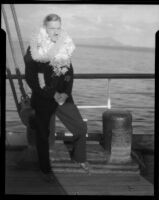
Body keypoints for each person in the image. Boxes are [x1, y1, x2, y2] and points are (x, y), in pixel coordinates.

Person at [24, 14, 90, 182]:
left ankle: (79, 158)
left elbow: (69, 73)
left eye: (58, 27)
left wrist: (66, 93)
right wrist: (52, 94)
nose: (55, 31)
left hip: (63, 97)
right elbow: (32, 79)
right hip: (43, 98)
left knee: (81, 128)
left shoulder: (65, 45)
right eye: (51, 28)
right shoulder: (35, 48)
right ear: (44, 28)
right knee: (43, 134)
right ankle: (45, 169)